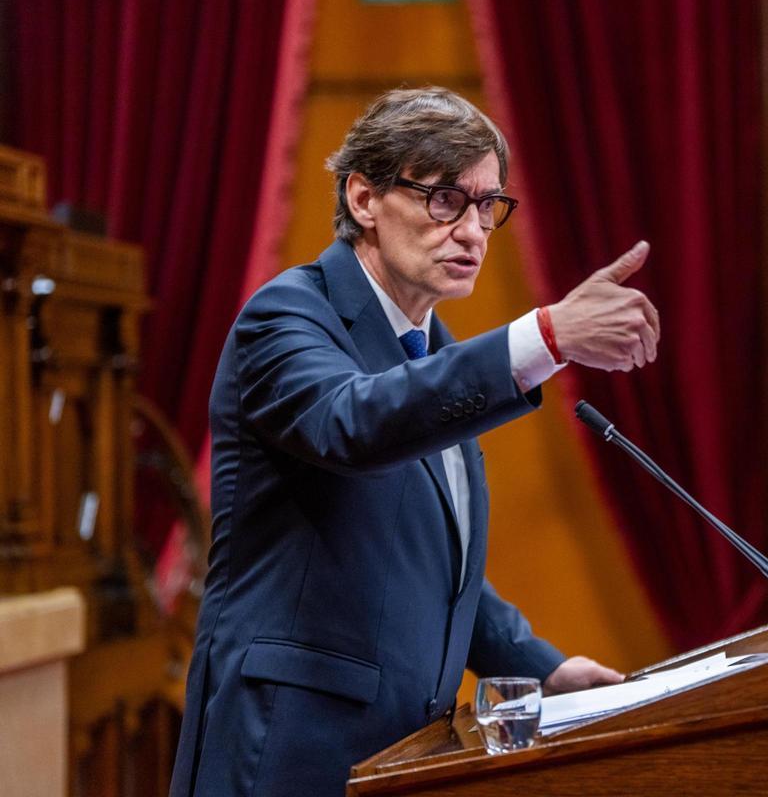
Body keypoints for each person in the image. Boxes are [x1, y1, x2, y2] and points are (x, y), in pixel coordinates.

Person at [169, 87, 661, 797]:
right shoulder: (285, 317)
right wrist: (543, 337)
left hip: (400, 751)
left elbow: (434, 562)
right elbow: (353, 424)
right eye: (445, 200)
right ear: (364, 199)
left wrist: (543, 666)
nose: (472, 231)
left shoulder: (431, 351)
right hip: (284, 749)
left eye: (488, 205)